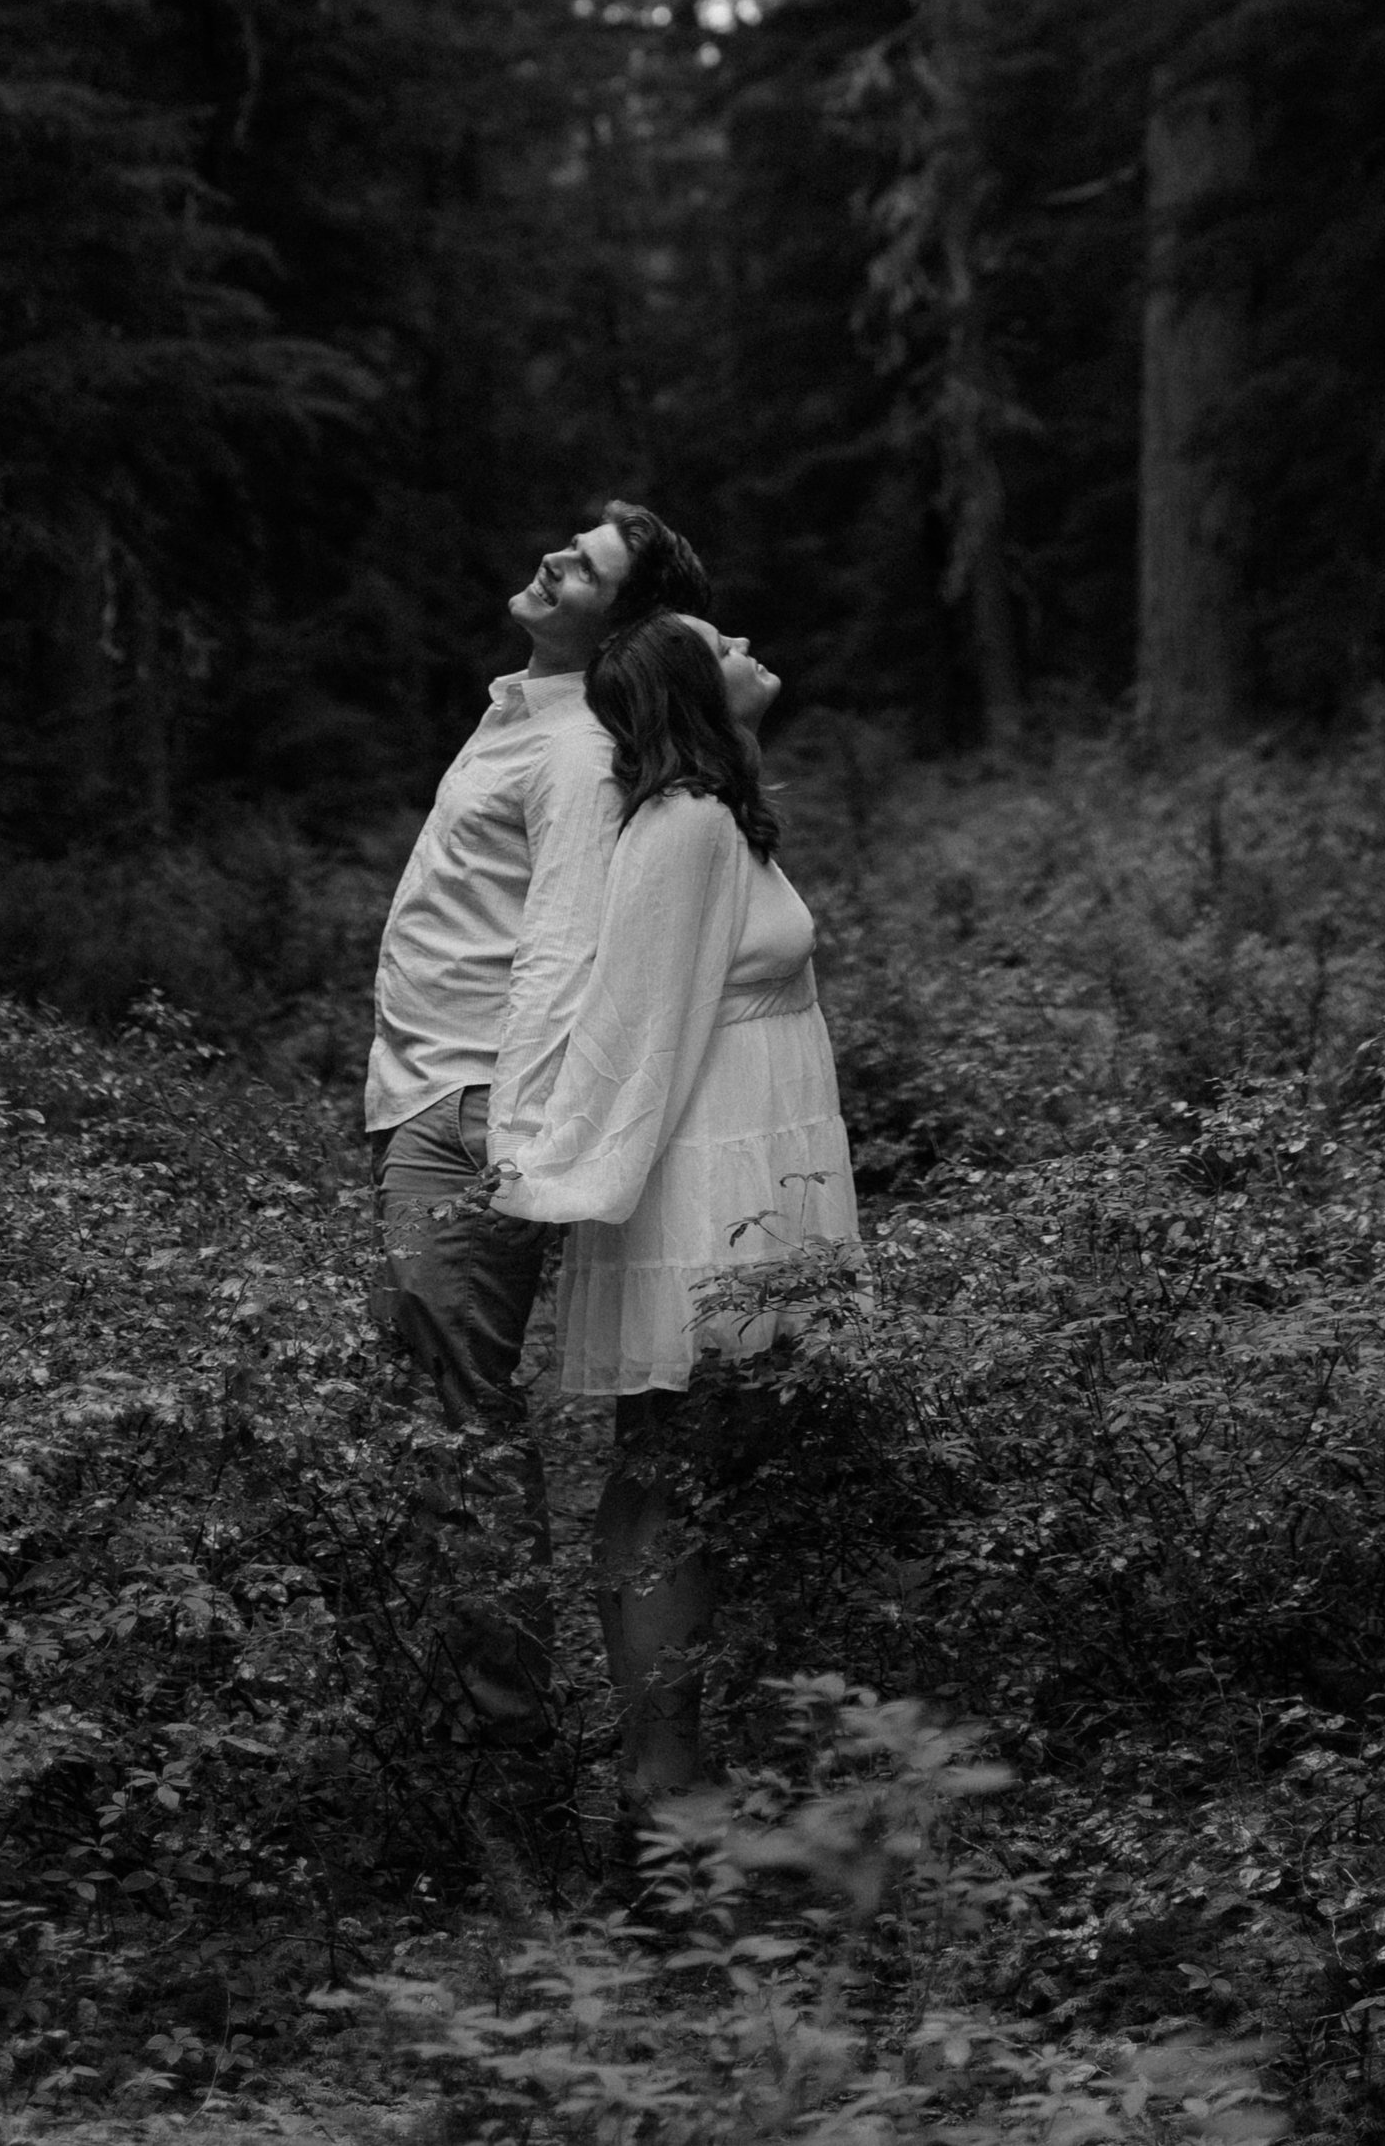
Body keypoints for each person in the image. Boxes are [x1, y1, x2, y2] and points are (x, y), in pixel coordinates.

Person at [486, 609, 862, 1834]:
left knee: (713, 1461)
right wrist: (556, 1170)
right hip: (706, 1183)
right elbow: (627, 1017)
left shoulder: (720, 810)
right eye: (724, 637)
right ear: (692, 686)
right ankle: (663, 1778)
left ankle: (700, 1760)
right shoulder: (686, 825)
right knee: (667, 1460)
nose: (753, 640)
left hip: (763, 1166)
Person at [365, 498, 709, 1745]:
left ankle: (502, 1766)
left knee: (449, 1429)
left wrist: (503, 1128)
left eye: (586, 567)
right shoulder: (523, 707)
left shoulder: (576, 750)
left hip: (465, 1108)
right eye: (566, 541)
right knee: (442, 1420)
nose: (554, 554)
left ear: (616, 619)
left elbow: (561, 948)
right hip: (433, 1091)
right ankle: (496, 1737)